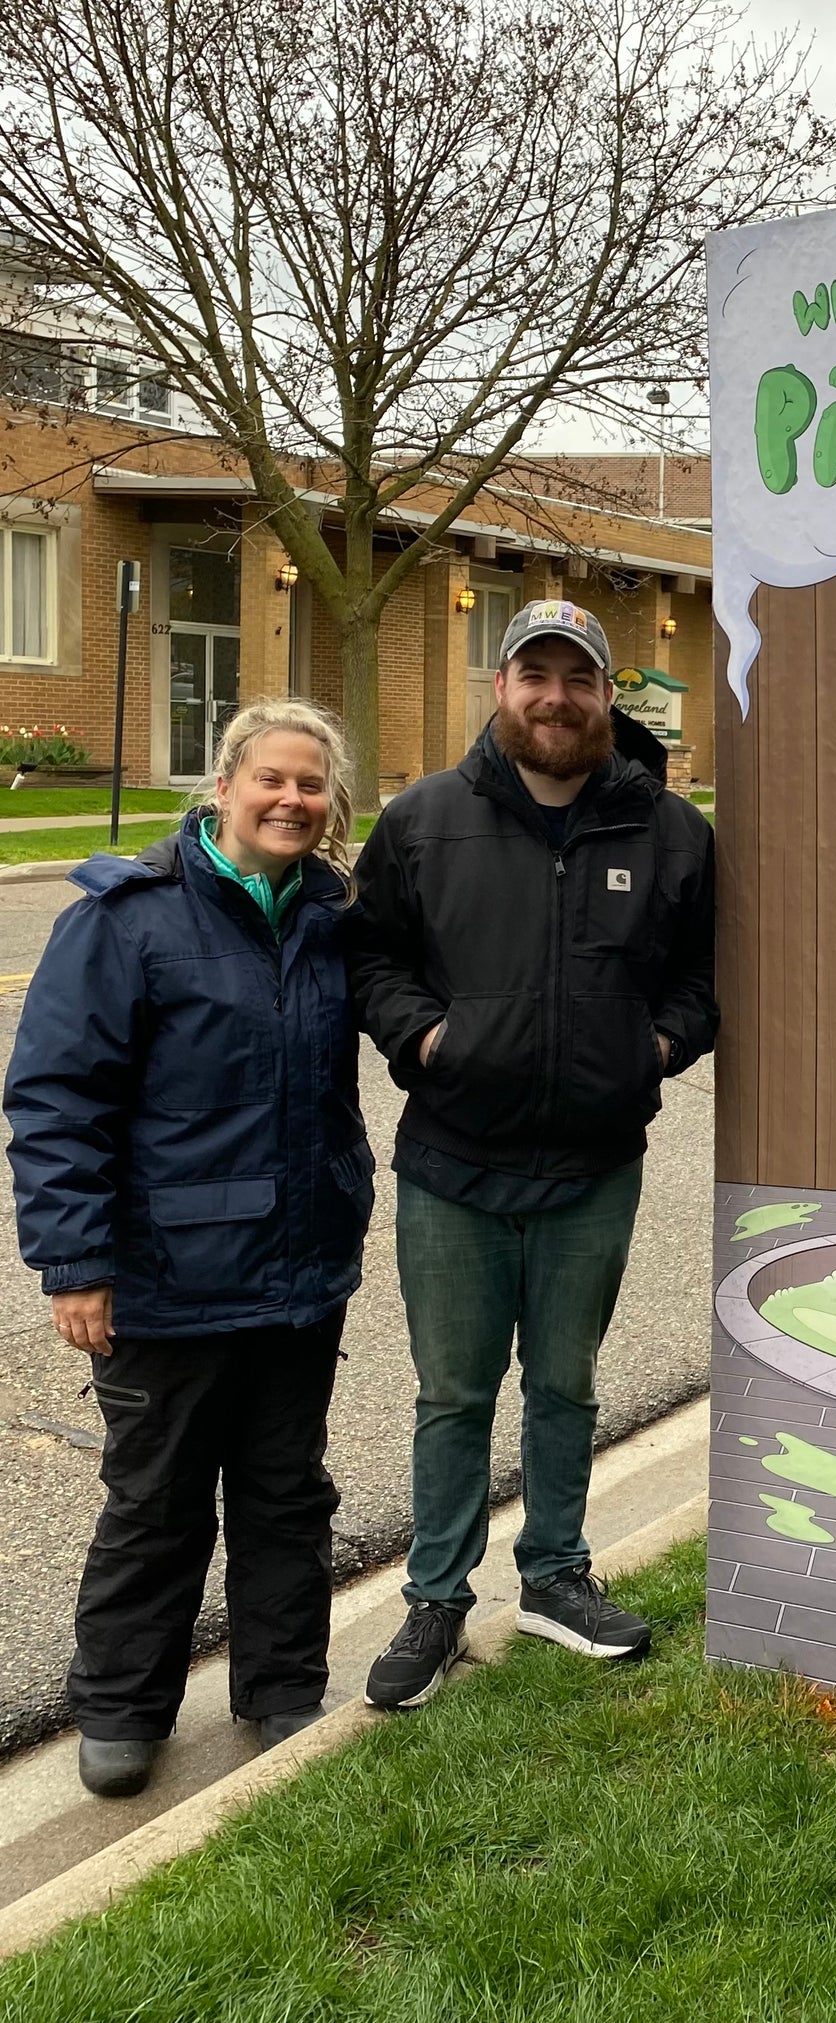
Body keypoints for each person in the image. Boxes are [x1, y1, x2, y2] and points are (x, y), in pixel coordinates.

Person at [346, 598, 716, 1711]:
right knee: (453, 1393)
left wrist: (656, 1043)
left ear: (610, 696)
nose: (555, 697)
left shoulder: (670, 833)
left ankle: (556, 1575)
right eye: (534, 675)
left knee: (566, 1384)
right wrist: (427, 1036)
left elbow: (705, 973)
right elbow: (370, 955)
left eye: (579, 678)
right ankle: (437, 1599)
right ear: (500, 687)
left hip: (593, 1167)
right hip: (452, 1167)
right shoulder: (422, 821)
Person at [7, 701, 373, 1798]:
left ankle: (281, 1686)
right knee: (155, 1501)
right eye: (271, 779)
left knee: (283, 1493)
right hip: (165, 1282)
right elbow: (58, 1095)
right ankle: (121, 1705)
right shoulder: (130, 917)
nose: (291, 800)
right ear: (223, 787)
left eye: (312, 785)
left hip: (301, 1273)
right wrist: (74, 1261)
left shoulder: (331, 916)